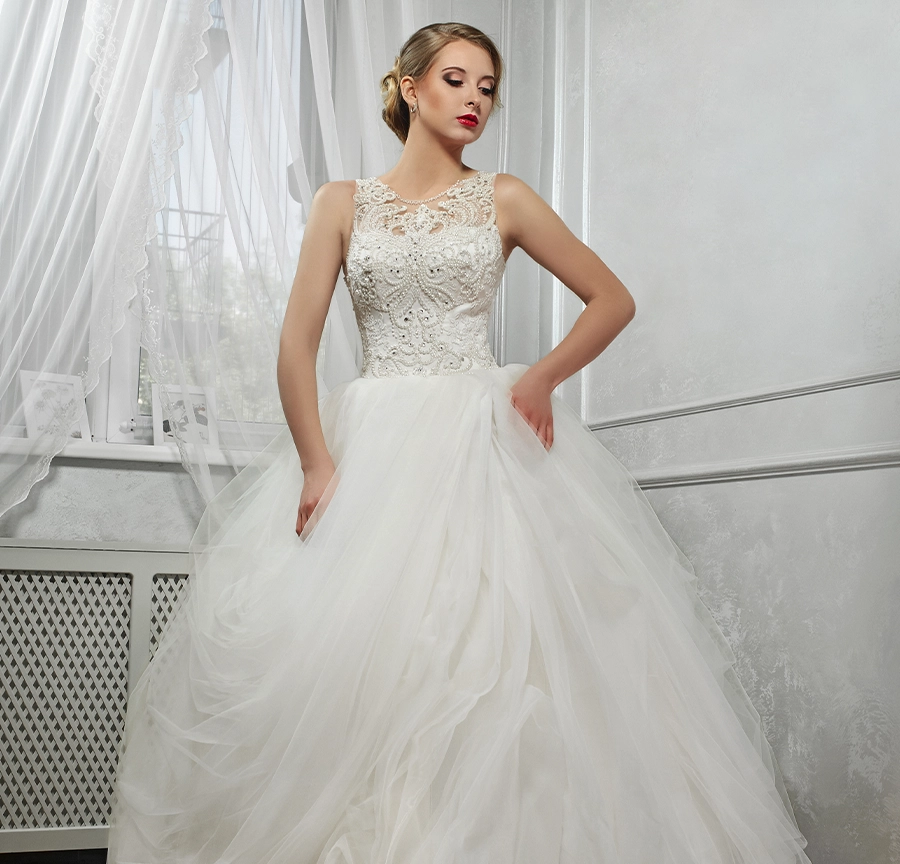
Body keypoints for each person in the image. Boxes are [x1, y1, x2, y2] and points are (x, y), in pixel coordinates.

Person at [106, 22, 812, 864]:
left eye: (487, 86)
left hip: (482, 446)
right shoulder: (342, 203)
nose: (475, 98)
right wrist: (318, 462)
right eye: (455, 79)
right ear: (409, 88)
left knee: (488, 659)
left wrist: (541, 377)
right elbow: (295, 346)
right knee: (357, 664)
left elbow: (612, 299)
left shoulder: (503, 198)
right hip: (372, 443)